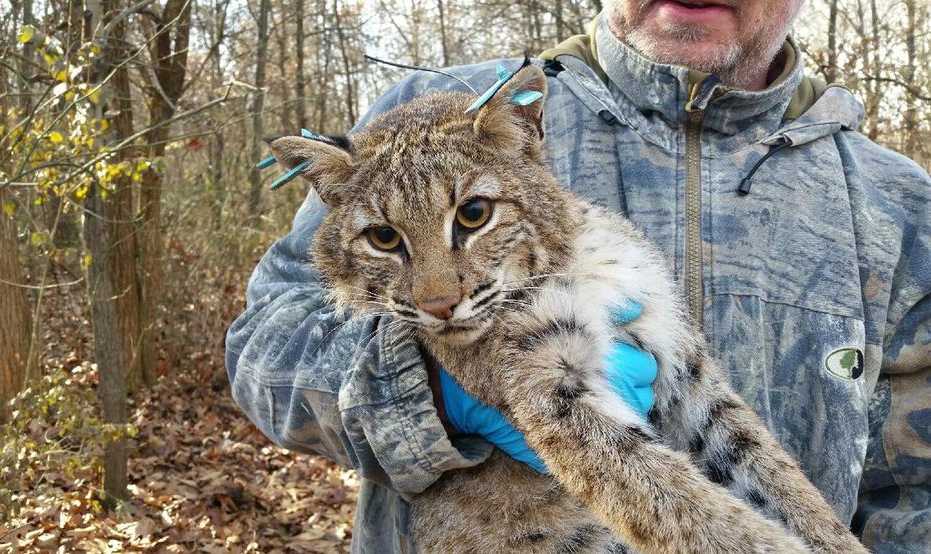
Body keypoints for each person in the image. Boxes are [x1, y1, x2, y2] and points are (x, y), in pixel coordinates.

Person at [226, 1, 931, 551]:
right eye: (387, 238)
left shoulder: (896, 204)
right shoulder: (430, 116)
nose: (439, 293)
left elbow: (916, 499)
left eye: (471, 214)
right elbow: (262, 349)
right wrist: (426, 393)